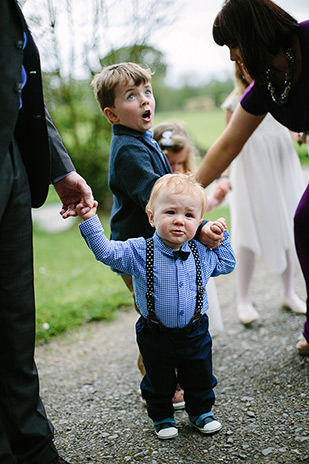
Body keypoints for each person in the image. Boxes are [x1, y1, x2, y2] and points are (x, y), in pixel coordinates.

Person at [90, 63, 227, 406]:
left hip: (158, 247)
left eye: (146, 92)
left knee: (163, 312)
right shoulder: (129, 151)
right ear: (112, 113)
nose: (144, 100)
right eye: (131, 96)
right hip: (136, 251)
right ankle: (157, 379)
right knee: (153, 318)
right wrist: (197, 230)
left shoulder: (141, 139)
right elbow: (163, 199)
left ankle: (171, 372)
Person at [0, 1, 94, 463]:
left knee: (16, 316)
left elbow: (21, 85)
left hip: (12, 164)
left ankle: (33, 445)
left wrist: (59, 167)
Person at [77, 172, 236, 440]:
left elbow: (227, 264)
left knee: (200, 374)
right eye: (170, 212)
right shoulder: (140, 252)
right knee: (158, 378)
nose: (178, 220)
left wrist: (222, 237)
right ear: (151, 217)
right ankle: (162, 416)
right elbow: (106, 252)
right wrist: (90, 219)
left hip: (195, 330)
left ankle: (201, 412)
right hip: (155, 332)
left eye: (189, 216)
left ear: (198, 222)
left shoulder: (201, 252)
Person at [195, 0, 309, 355]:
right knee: (304, 223)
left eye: (233, 44)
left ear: (252, 34)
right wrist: (187, 192)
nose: (232, 57)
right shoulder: (265, 86)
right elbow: (227, 145)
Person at [220, 63, 306, 325]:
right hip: (251, 174)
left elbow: (293, 131)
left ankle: (289, 292)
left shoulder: (281, 94)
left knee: (288, 223)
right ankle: (243, 299)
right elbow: (227, 144)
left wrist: (301, 134)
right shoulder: (234, 103)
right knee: (247, 230)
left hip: (281, 167)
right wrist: (223, 176)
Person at [153, 121, 231, 334]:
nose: (177, 169)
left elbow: (200, 211)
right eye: (171, 163)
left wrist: (214, 197)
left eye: (181, 162)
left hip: (193, 252)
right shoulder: (161, 191)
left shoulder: (190, 184)